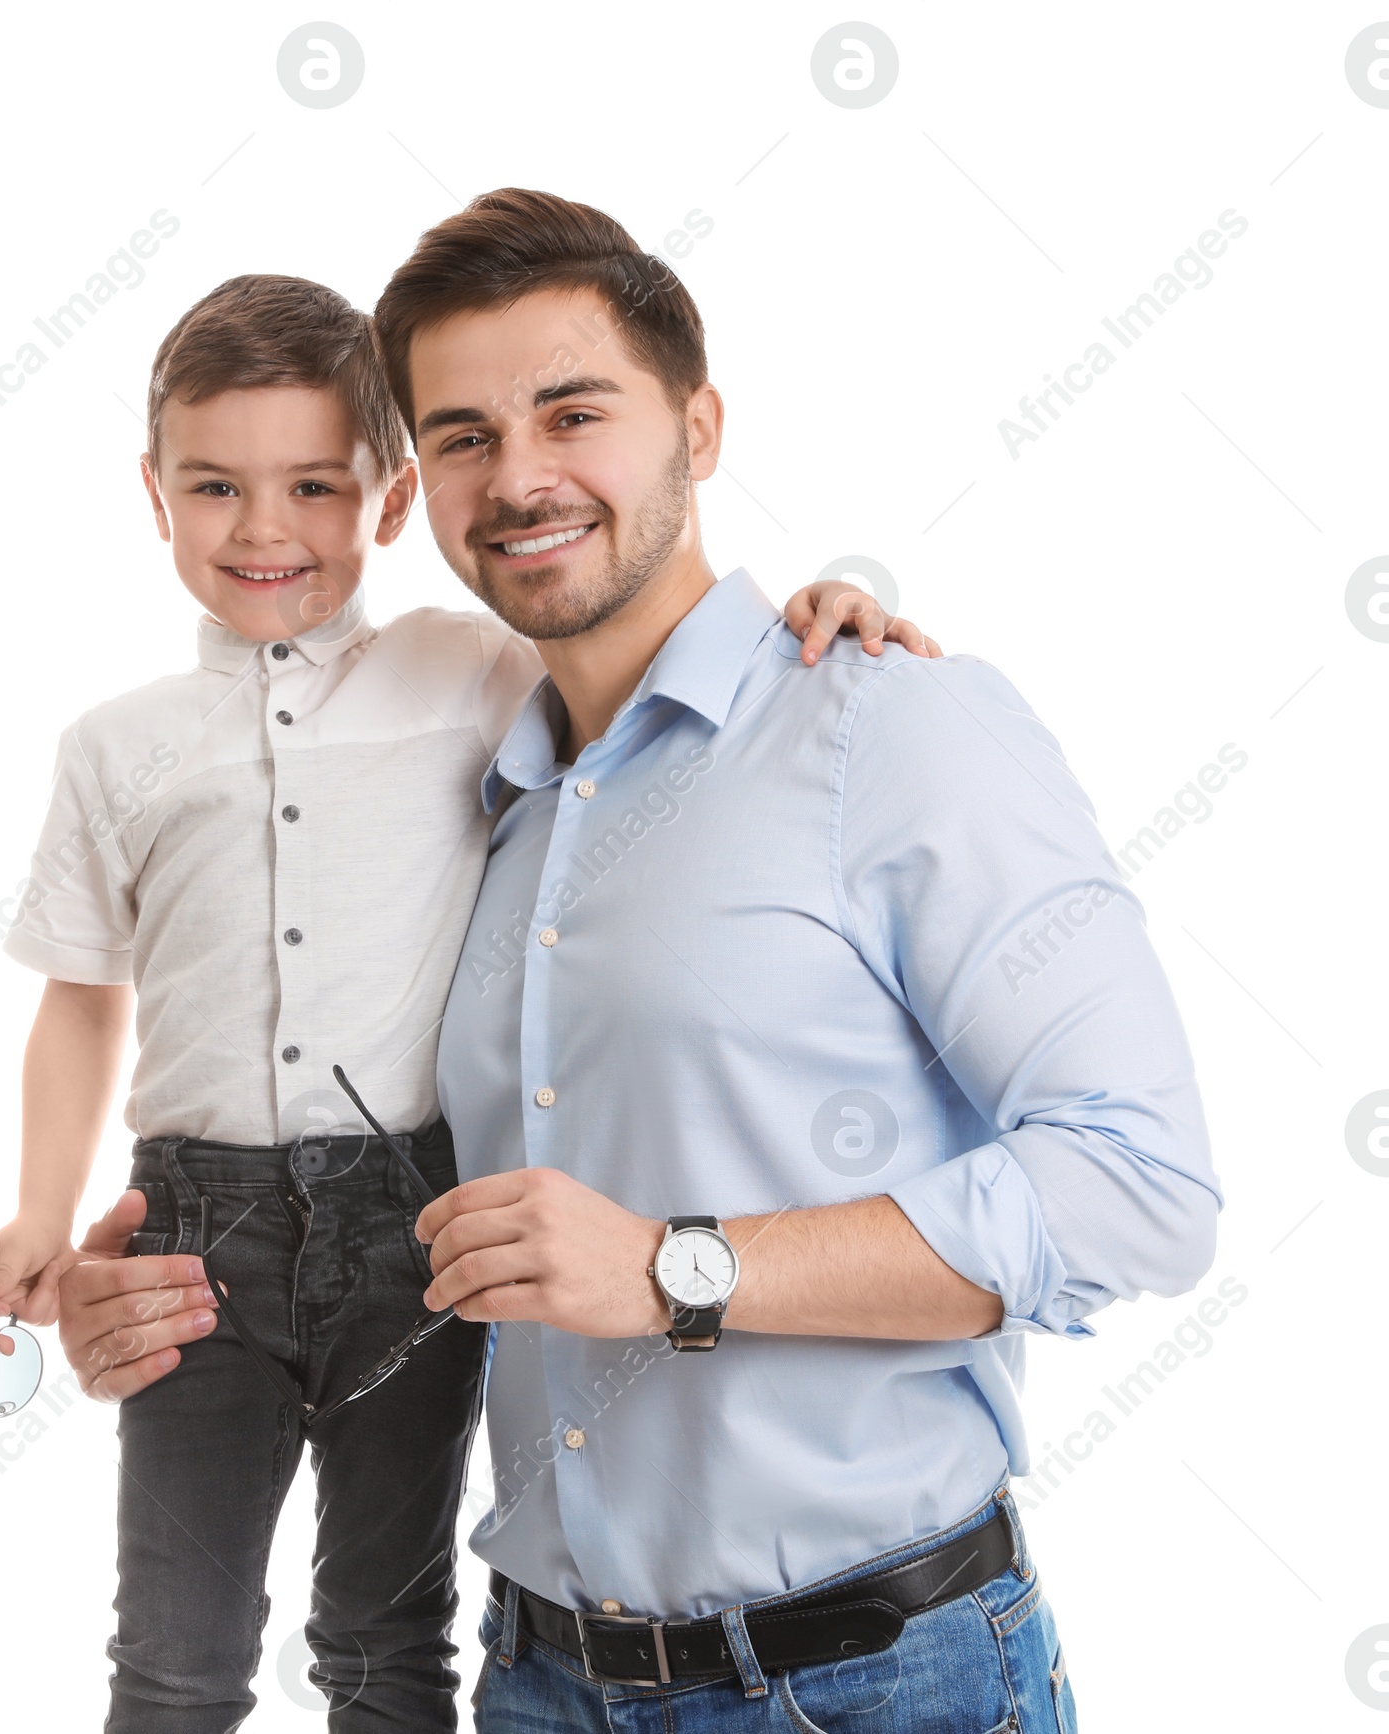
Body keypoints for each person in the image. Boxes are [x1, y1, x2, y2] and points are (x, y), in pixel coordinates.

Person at [0, 270, 930, 1731]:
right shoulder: (114, 749)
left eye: (313, 486)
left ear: (393, 498)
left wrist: (829, 598)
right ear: (152, 494)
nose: (266, 530)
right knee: (172, 1650)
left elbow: (653, 663)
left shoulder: (471, 672)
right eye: (216, 486)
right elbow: (81, 996)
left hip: (414, 1215)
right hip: (191, 1233)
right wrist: (43, 1211)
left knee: (385, 1633)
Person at [375, 189, 1223, 1731]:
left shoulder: (891, 726)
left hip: (870, 1684)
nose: (520, 477)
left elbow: (1138, 1183)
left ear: (698, 426)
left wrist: (674, 1269)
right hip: (535, 1680)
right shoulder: (472, 801)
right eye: (462, 436)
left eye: (575, 411)